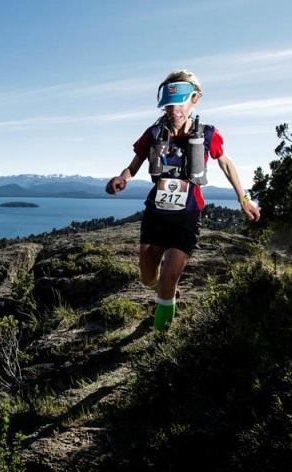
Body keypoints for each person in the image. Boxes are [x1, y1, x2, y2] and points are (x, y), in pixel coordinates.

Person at [105, 69, 260, 332]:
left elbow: (226, 163)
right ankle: (168, 292)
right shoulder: (153, 133)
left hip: (187, 216)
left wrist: (243, 198)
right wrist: (122, 179)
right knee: (146, 278)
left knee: (167, 281)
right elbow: (133, 166)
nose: (173, 109)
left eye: (179, 103)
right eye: (168, 104)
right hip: (156, 213)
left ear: (194, 100)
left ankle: (160, 338)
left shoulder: (207, 134)